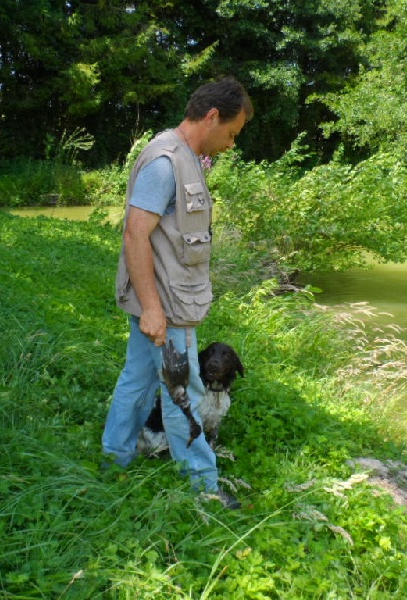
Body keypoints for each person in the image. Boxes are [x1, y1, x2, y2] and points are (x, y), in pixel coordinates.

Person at [102, 77, 253, 508]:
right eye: (231, 133)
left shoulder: (186, 157)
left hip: (166, 303)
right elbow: (135, 235)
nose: (231, 144)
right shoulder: (165, 162)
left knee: (136, 380)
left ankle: (115, 460)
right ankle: (204, 487)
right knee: (184, 393)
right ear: (211, 117)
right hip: (164, 309)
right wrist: (152, 309)